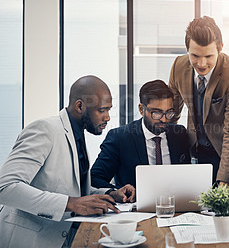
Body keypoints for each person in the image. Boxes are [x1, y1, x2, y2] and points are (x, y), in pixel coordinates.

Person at [0, 75, 135, 248]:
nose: (108, 117)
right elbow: (5, 186)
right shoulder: (45, 130)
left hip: (63, 237)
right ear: (80, 106)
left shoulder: (77, 134)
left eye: (109, 110)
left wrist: (110, 193)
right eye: (102, 110)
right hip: (29, 240)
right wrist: (71, 203)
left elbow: (69, 189)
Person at [169, 16, 229, 185]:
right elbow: (170, 114)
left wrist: (224, 181)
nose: (202, 63)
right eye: (195, 56)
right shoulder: (178, 66)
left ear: (220, 48)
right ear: (187, 49)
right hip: (193, 153)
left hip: (224, 154)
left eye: (209, 56)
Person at [91, 80, 190, 190]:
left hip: (177, 204)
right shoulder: (119, 138)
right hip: (136, 205)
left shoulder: (180, 135)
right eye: (156, 113)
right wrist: (116, 192)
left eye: (169, 112)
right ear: (141, 109)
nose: (164, 119)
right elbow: (95, 178)